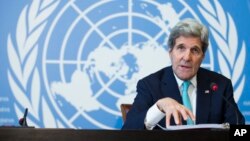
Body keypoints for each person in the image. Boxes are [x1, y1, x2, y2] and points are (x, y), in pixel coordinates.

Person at [122, 18, 245, 130]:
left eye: (195, 50)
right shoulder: (150, 85)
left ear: (202, 56)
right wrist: (158, 108)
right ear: (170, 51)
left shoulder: (220, 85)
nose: (187, 57)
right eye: (181, 48)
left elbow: (239, 131)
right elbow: (127, 132)